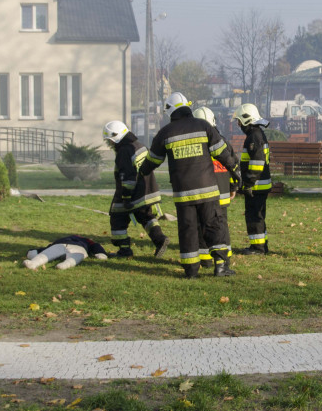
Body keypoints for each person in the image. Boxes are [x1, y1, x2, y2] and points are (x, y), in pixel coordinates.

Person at [139, 92, 240, 278]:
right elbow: (223, 153)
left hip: (183, 194)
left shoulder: (165, 133)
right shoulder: (204, 126)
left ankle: (192, 271)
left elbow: (152, 161)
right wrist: (235, 171)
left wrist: (141, 173)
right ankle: (220, 266)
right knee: (213, 225)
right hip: (208, 191)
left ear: (169, 111)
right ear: (188, 107)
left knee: (188, 230)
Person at [102, 120, 169, 258]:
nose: (110, 145)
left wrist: (126, 198)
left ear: (115, 138)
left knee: (117, 218)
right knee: (146, 216)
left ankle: (124, 250)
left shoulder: (124, 151)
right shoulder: (139, 145)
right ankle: (160, 240)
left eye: (110, 141)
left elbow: (127, 176)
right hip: (148, 190)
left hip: (132, 193)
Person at [192, 106, 241, 271]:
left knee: (201, 224)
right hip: (223, 191)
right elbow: (233, 164)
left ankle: (205, 259)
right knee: (221, 225)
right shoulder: (223, 141)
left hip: (204, 192)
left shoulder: (196, 144)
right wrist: (233, 186)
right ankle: (223, 260)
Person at [233, 103, 272, 255]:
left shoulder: (254, 137)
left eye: (239, 121)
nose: (238, 124)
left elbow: (257, 163)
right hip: (260, 185)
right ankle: (262, 245)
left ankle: (258, 248)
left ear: (246, 120)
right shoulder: (257, 134)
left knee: (254, 216)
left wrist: (248, 183)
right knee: (259, 215)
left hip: (256, 186)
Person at [23, 235, 108, 270]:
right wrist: (101, 253)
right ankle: (65, 265)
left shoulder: (60, 239)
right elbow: (95, 246)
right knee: (75, 257)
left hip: (61, 245)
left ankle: (33, 263)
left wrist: (34, 252)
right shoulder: (86, 240)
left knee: (46, 255)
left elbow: (47, 249)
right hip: (78, 248)